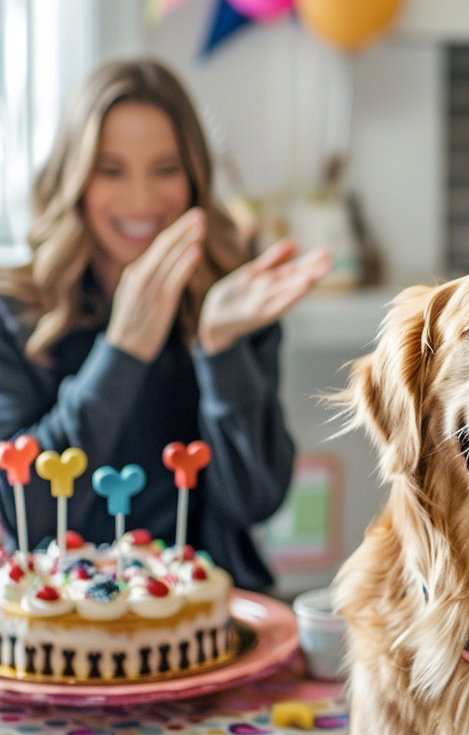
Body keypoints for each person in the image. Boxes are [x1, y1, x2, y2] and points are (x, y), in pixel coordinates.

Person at [0, 59, 330, 590]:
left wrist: (220, 349)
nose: (141, 198)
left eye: (165, 168)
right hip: (65, 617)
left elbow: (258, 500)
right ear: (75, 178)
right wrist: (122, 353)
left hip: (207, 619)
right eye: (111, 170)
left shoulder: (232, 303)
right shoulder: (15, 311)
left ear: (195, 177)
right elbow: (25, 515)